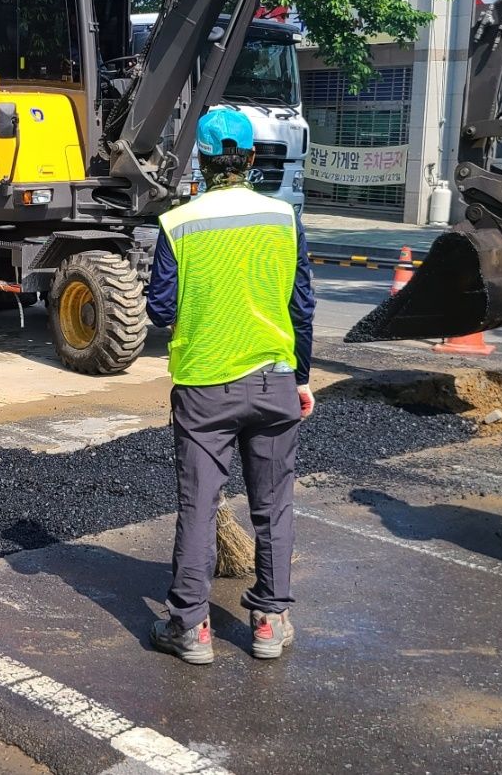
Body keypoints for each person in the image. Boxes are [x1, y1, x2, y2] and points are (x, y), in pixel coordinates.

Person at [144, 106, 315, 665]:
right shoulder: (284, 218)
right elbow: (302, 305)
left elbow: (161, 308)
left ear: (203, 158)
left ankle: (191, 628)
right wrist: (302, 378)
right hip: (274, 382)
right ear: (250, 157)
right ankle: (269, 621)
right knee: (275, 506)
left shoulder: (178, 222)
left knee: (198, 506)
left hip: (204, 388)